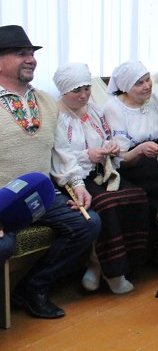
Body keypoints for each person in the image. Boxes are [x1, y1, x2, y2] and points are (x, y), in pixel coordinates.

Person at [0, 25, 100, 319]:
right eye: (21, 53)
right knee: (3, 244)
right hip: (2, 201)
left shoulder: (44, 101)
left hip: (41, 196)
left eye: (31, 53)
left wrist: (77, 184)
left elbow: (61, 151)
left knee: (88, 224)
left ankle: (32, 289)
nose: (30, 59)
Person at [51, 63, 149, 294]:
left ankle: (102, 265)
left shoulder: (94, 111)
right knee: (106, 204)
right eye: (77, 91)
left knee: (136, 195)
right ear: (63, 91)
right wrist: (88, 155)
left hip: (102, 171)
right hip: (73, 177)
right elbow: (59, 156)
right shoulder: (55, 116)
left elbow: (106, 137)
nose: (84, 95)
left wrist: (110, 147)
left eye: (87, 88)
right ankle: (112, 272)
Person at [103, 61, 158, 265]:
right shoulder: (114, 108)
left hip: (156, 161)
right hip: (131, 167)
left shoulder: (154, 100)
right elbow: (120, 159)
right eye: (139, 83)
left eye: (148, 79)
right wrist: (140, 150)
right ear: (126, 87)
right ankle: (154, 251)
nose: (147, 86)